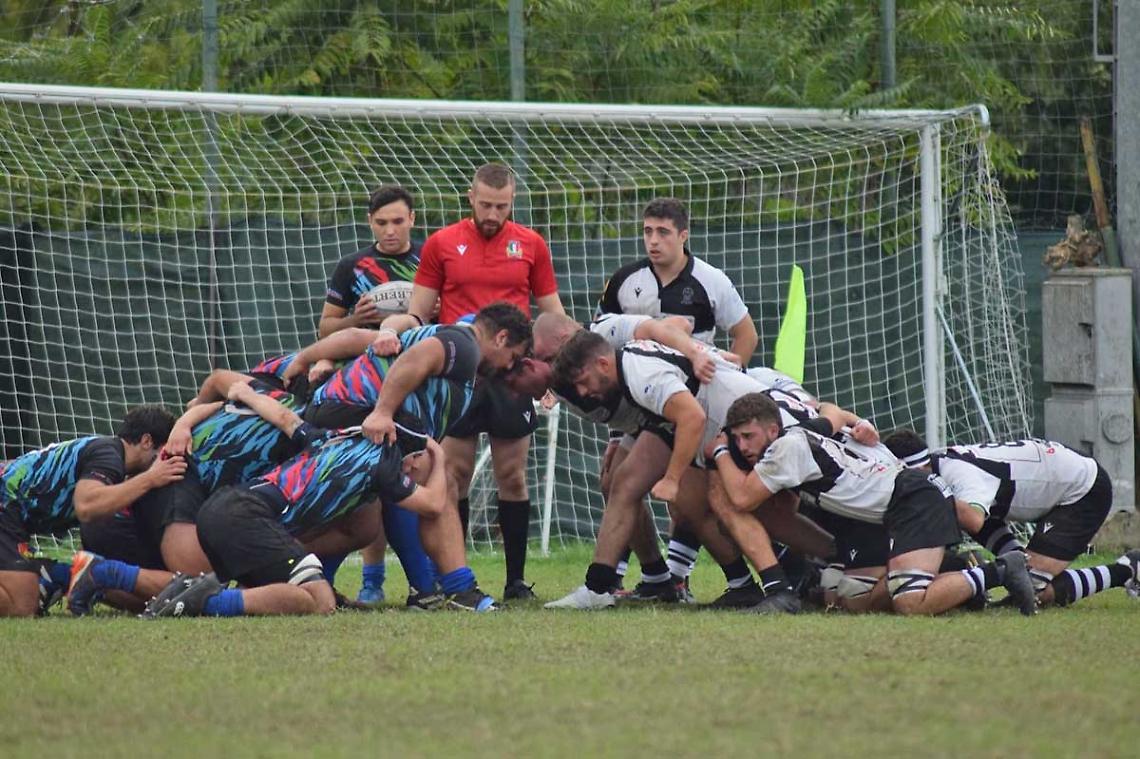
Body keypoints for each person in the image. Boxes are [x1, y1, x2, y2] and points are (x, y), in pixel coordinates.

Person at [545, 333, 838, 611]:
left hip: (740, 426)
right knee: (627, 483)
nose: (583, 393)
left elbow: (691, 416)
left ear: (603, 363)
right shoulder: (628, 363)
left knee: (746, 506)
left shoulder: (639, 371)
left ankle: (814, 569)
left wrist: (672, 478)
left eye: (583, 382)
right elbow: (669, 329)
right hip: (708, 426)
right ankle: (598, 587)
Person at [380, 163, 564, 600]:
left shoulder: (532, 244)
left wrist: (554, 372)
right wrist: (392, 328)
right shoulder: (443, 243)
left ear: (512, 203)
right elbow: (421, 310)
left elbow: (552, 313)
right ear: (470, 197)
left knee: (512, 476)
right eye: (485, 204)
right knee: (453, 473)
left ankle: (516, 581)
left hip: (511, 375)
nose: (492, 214)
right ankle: (453, 576)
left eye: (501, 206)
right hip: (459, 374)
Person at [709, 393, 1038, 616]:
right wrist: (860, 424)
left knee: (910, 602)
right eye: (736, 438)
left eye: (747, 436)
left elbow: (742, 497)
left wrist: (721, 450)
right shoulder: (800, 434)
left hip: (912, 499)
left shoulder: (784, 450)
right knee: (851, 598)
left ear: (772, 429)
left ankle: (1001, 570)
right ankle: (953, 569)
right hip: (894, 506)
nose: (743, 445)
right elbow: (832, 412)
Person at [884, 430, 1140, 608]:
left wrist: (934, 497)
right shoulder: (939, 464)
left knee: (1034, 588)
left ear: (918, 471)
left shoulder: (960, 473)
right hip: (1057, 475)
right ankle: (1013, 564)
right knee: (1017, 575)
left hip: (1083, 490)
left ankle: (1125, 569)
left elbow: (973, 520)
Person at [0, 406, 184, 617]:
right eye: (162, 454)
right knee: (20, 605)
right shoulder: (109, 455)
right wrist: (151, 478)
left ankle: (50, 572)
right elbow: (86, 506)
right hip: (5, 504)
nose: (163, 462)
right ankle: (49, 573)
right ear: (146, 441)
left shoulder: (106, 454)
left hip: (11, 513)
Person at [318, 185, 422, 338]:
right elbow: (324, 330)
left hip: (424, 347)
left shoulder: (432, 257)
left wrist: (440, 308)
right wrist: (356, 319)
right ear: (370, 221)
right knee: (323, 361)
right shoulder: (351, 266)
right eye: (381, 223)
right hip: (369, 349)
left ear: (411, 218)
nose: (390, 231)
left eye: (398, 221)